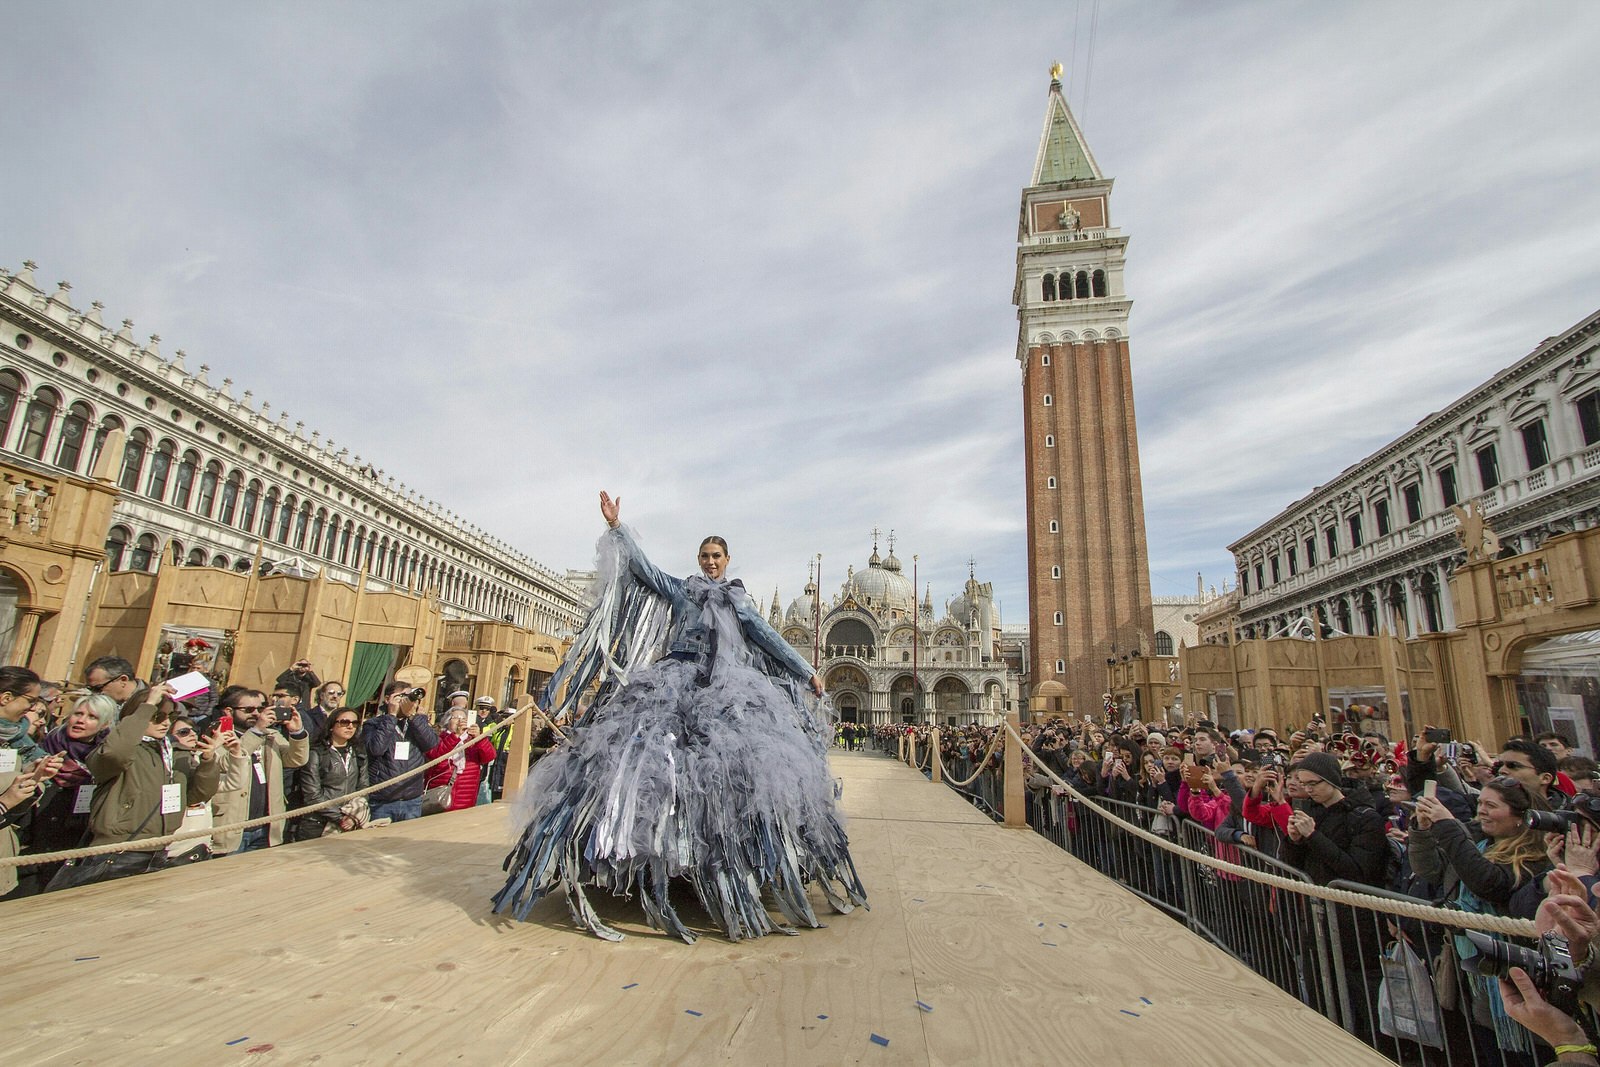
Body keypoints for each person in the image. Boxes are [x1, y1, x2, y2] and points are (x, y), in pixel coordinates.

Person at [493, 492, 867, 943]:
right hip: (676, 677)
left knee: (735, 771)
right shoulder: (682, 589)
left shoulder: (739, 601)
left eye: (717, 556)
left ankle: (726, 863)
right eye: (705, 556)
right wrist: (617, 528)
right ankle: (642, 855)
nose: (710, 562)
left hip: (730, 684)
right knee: (647, 763)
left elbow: (768, 638)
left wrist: (806, 671)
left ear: (728, 559)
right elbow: (644, 571)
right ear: (699, 558)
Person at [1410, 776, 1555, 1061]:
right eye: (1480, 803)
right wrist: (1423, 831)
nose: (1482, 811)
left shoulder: (1536, 858)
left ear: (1520, 817)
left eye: (1491, 805)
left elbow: (1487, 882)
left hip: (1518, 980)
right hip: (1479, 981)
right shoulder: (1477, 844)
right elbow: (1432, 870)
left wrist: (1448, 827)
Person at [46, 683, 225, 890]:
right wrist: (148, 704)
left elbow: (197, 796)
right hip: (118, 849)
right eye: (158, 716)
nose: (165, 723)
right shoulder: (123, 749)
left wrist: (208, 759)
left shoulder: (174, 753)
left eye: (171, 717)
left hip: (161, 848)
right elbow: (114, 754)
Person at [210, 693, 309, 853]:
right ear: (229, 711)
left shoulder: (271, 735)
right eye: (249, 709)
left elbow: (296, 759)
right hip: (232, 826)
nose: (256, 714)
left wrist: (296, 732)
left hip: (267, 826)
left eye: (260, 708)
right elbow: (224, 764)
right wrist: (256, 731)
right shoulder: (218, 735)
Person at [361, 682, 439, 823]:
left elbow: (431, 744)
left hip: (412, 798)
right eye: (400, 697)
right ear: (387, 699)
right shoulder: (373, 724)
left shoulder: (415, 723)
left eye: (407, 697)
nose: (405, 701)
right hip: (383, 799)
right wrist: (391, 716)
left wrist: (414, 717)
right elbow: (376, 749)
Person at [293, 708, 369, 839]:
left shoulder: (358, 752)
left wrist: (353, 816)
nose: (350, 726)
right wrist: (340, 818)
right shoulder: (315, 753)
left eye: (355, 723)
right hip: (317, 823)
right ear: (332, 726)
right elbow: (312, 795)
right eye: (344, 722)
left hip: (350, 820)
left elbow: (364, 787)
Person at [423, 707, 495, 813]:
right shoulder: (439, 738)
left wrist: (479, 738)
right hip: (439, 799)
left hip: (465, 799)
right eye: (455, 717)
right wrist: (456, 736)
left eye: (463, 718)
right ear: (447, 722)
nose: (460, 721)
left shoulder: (472, 741)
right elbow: (435, 754)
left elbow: (489, 756)